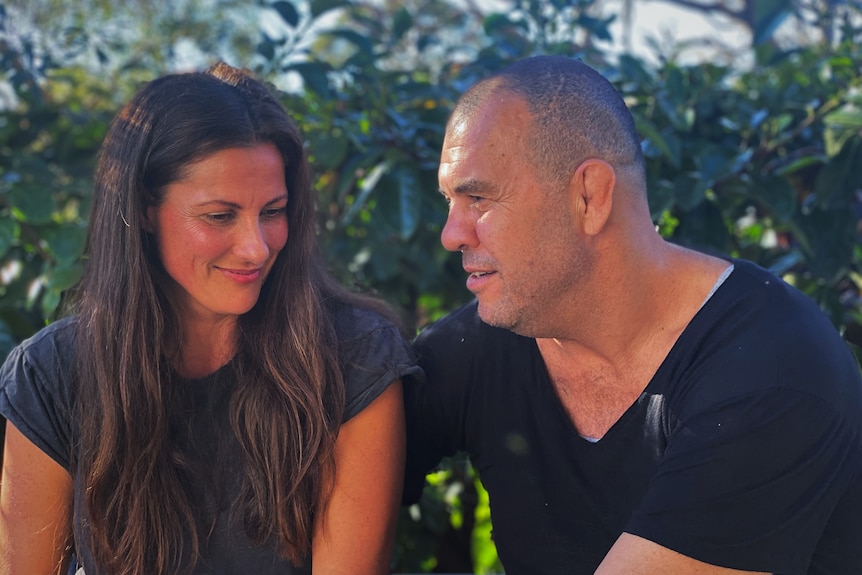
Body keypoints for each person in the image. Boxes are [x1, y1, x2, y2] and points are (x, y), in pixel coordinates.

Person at [403, 55, 862, 575]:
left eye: (478, 198)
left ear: (589, 195)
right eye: (449, 201)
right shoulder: (486, 345)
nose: (451, 234)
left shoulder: (774, 370)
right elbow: (310, 483)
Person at [0, 63, 419, 575]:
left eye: (273, 211)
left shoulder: (356, 358)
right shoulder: (51, 374)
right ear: (146, 209)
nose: (256, 248)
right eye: (219, 216)